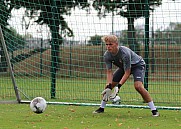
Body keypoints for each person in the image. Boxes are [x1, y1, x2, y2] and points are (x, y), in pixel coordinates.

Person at [93, 35, 159, 117]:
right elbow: (109, 72)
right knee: (107, 87)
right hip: (123, 67)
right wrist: (109, 86)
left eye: (110, 44)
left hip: (137, 65)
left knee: (138, 86)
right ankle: (101, 108)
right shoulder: (107, 55)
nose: (108, 47)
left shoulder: (124, 53)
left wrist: (118, 86)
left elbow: (127, 73)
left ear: (116, 44)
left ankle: (154, 110)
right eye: (107, 44)